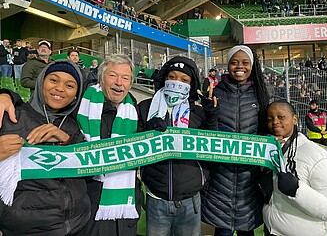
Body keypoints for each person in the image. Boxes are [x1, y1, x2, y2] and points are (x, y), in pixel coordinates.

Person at [0, 59, 91, 235]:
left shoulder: (74, 125)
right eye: (54, 80)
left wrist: (66, 140)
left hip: (78, 224)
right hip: (26, 228)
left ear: (76, 95)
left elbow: (89, 169)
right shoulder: (11, 114)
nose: (60, 88)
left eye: (70, 85)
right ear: (41, 83)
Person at [137, 56, 218, 236]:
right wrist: (146, 132)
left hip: (190, 199)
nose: (176, 82)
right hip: (156, 197)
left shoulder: (198, 111)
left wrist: (211, 117)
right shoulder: (145, 108)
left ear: (191, 85)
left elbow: (211, 146)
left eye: (184, 80)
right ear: (164, 78)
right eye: (171, 77)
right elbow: (134, 147)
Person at [201, 45, 270, 236]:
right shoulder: (215, 93)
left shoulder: (260, 95)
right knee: (222, 232)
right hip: (219, 182)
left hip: (250, 184)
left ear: (252, 66)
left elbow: (267, 131)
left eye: (245, 62)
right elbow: (205, 132)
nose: (240, 66)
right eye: (234, 62)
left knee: (246, 232)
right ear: (228, 65)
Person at [76, 54, 141, 236]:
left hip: (125, 208)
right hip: (90, 203)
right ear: (102, 77)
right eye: (113, 75)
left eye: (125, 78)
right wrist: (7, 95)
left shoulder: (136, 111)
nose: (119, 82)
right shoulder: (81, 103)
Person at [263, 100, 327, 236]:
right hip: (272, 231)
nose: (275, 122)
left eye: (281, 117)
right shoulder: (270, 150)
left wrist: (297, 190)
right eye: (270, 119)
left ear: (295, 119)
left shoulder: (316, 155)